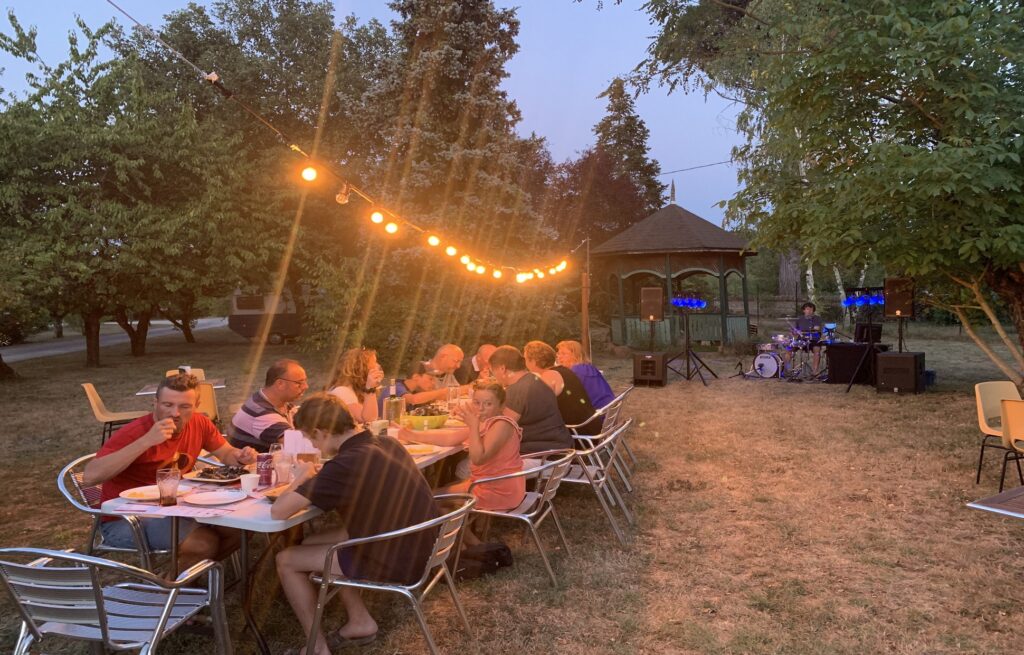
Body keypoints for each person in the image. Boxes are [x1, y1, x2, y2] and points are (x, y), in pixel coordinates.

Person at [272, 394, 440, 655]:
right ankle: (360, 621)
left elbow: (279, 511)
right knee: (312, 543)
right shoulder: (387, 443)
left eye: (311, 438)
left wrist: (302, 477)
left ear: (320, 432)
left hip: (396, 558)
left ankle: (316, 648)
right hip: (425, 546)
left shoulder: (344, 465)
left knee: (286, 559)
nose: (313, 445)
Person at [84, 374, 257, 572]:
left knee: (241, 530)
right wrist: (146, 441)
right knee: (203, 543)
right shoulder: (134, 432)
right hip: (126, 519)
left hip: (177, 508)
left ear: (196, 405)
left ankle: (178, 575)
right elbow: (91, 476)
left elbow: (226, 453)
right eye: (167, 404)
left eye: (185, 406)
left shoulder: (199, 423)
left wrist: (241, 456)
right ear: (155, 402)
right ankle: (171, 586)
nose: (175, 413)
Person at [489, 345, 572, 454]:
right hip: (561, 448)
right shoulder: (534, 379)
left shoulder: (516, 390)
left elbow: (501, 431)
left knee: (465, 466)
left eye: (493, 372)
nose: (494, 377)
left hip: (542, 456)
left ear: (502, 369)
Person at [230, 358, 309, 452]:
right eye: (299, 383)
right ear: (280, 384)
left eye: (305, 381)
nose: (306, 387)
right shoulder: (261, 413)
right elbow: (300, 446)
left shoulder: (279, 404)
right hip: (249, 466)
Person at [524, 341, 600, 435]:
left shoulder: (549, 376)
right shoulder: (564, 370)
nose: (525, 363)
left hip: (578, 434)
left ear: (533, 362)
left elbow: (536, 409)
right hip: (591, 427)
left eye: (526, 359)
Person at [328, 347, 384, 424]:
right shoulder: (342, 391)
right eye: (374, 362)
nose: (377, 366)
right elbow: (369, 419)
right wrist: (370, 388)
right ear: (360, 368)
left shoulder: (354, 389)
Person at [556, 339, 615, 409]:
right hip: (608, 409)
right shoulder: (589, 367)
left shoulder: (576, 372)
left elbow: (567, 397)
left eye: (563, 354)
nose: (559, 357)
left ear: (575, 355)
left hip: (596, 414)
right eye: (558, 353)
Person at [375, 362, 449, 416]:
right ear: (416, 377)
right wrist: (443, 391)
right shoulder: (396, 387)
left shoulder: (414, 390)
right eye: (430, 379)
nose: (433, 383)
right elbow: (414, 400)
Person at [791, 302, 824, 373]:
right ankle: (786, 370)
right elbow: (795, 331)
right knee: (788, 348)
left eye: (811, 310)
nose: (809, 311)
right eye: (807, 309)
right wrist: (794, 332)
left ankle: (815, 372)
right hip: (801, 340)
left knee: (817, 350)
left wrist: (803, 331)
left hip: (813, 339)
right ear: (804, 310)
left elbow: (817, 328)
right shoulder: (799, 319)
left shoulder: (817, 319)